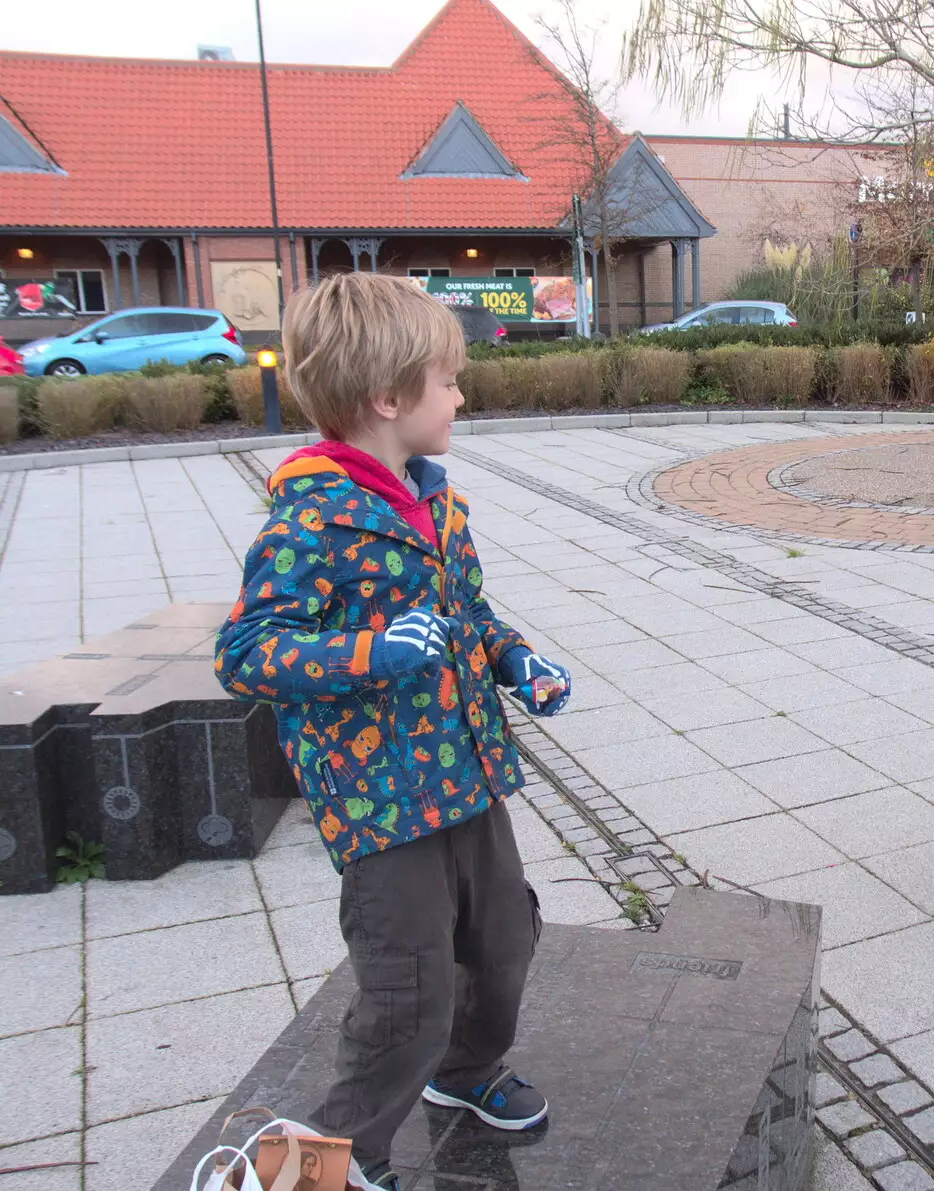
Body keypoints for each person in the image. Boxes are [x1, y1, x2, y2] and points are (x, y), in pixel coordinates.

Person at [215, 272, 572, 1191]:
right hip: (380, 801)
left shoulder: (438, 502)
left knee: (503, 942)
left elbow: (468, 613)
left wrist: (515, 660)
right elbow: (248, 651)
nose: (461, 396)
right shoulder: (311, 522)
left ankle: (463, 1075)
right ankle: (319, 1164)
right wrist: (370, 652)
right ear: (387, 398)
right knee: (406, 989)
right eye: (447, 381)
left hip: (469, 776)